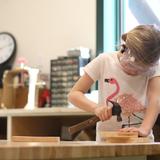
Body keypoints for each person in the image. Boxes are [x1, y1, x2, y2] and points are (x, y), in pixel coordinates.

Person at [68, 24, 160, 142]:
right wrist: (96, 108)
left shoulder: (154, 66)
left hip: (140, 141)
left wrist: (144, 129)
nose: (134, 72)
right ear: (125, 49)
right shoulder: (104, 61)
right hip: (106, 142)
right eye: (131, 66)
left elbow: (155, 100)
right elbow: (74, 94)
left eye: (141, 70)